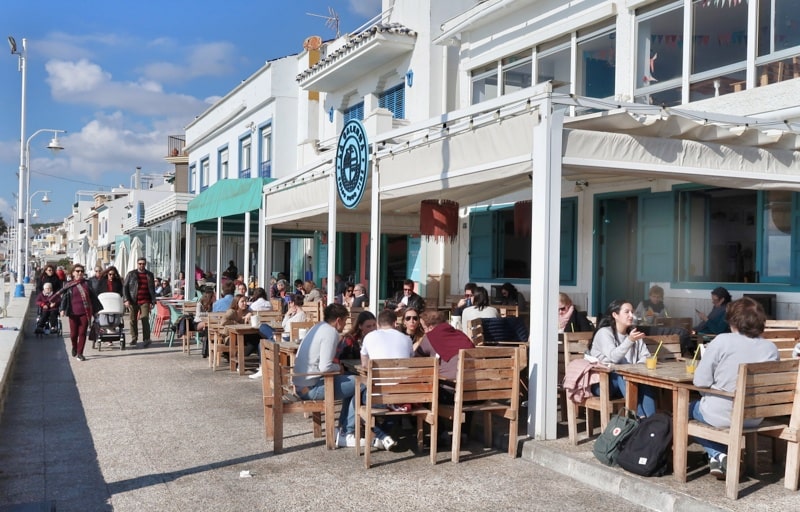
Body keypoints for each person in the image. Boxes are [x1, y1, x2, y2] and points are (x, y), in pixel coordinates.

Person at [689, 297, 779, 480]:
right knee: (705, 408)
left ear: (733, 320)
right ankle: (718, 459)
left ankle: (719, 455)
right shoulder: (771, 348)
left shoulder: (722, 341)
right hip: (755, 416)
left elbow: (700, 381)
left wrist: (710, 390)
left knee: (685, 410)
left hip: (723, 414)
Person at [292, 304, 363, 448]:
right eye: (344, 321)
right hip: (311, 388)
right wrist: (340, 368)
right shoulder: (331, 333)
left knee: (352, 382)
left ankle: (342, 429)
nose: (344, 325)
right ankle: (346, 433)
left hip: (301, 384)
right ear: (338, 320)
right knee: (361, 383)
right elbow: (325, 367)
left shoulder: (317, 327)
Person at [589, 299, 657, 418]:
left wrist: (636, 368)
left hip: (629, 380)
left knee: (644, 381)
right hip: (604, 383)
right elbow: (613, 357)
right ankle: (639, 417)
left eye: (632, 312)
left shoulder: (633, 334)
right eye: (627, 312)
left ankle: (652, 421)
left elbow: (646, 356)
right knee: (621, 373)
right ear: (615, 315)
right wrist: (629, 341)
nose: (631, 315)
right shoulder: (604, 333)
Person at [360, 309, 414, 450]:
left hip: (378, 397)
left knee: (358, 401)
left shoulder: (369, 337)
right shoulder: (407, 339)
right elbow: (411, 362)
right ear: (395, 323)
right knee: (394, 406)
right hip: (402, 397)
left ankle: (382, 435)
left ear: (378, 324)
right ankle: (385, 435)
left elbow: (364, 365)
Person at [58, 264, 102, 361]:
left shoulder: (87, 283)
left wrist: (95, 311)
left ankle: (80, 353)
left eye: (81, 271)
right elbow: (65, 298)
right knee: (73, 334)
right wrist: (62, 309)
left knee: (82, 333)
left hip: (85, 312)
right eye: (77, 271)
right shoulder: (68, 284)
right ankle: (74, 346)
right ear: (73, 273)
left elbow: (93, 298)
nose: (80, 273)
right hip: (72, 312)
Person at [416, 309, 474, 381]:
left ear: (430, 327)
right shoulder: (460, 334)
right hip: (473, 383)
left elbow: (416, 359)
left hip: (449, 385)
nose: (424, 331)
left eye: (424, 328)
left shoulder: (431, 336)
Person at [122, 257, 156, 348]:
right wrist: (126, 299)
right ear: (137, 264)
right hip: (133, 300)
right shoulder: (131, 274)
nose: (142, 265)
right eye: (140, 263)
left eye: (143, 264)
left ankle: (146, 339)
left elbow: (152, 289)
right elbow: (125, 287)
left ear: (145, 264)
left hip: (145, 300)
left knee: (145, 318)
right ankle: (134, 338)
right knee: (133, 320)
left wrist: (153, 301)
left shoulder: (149, 275)